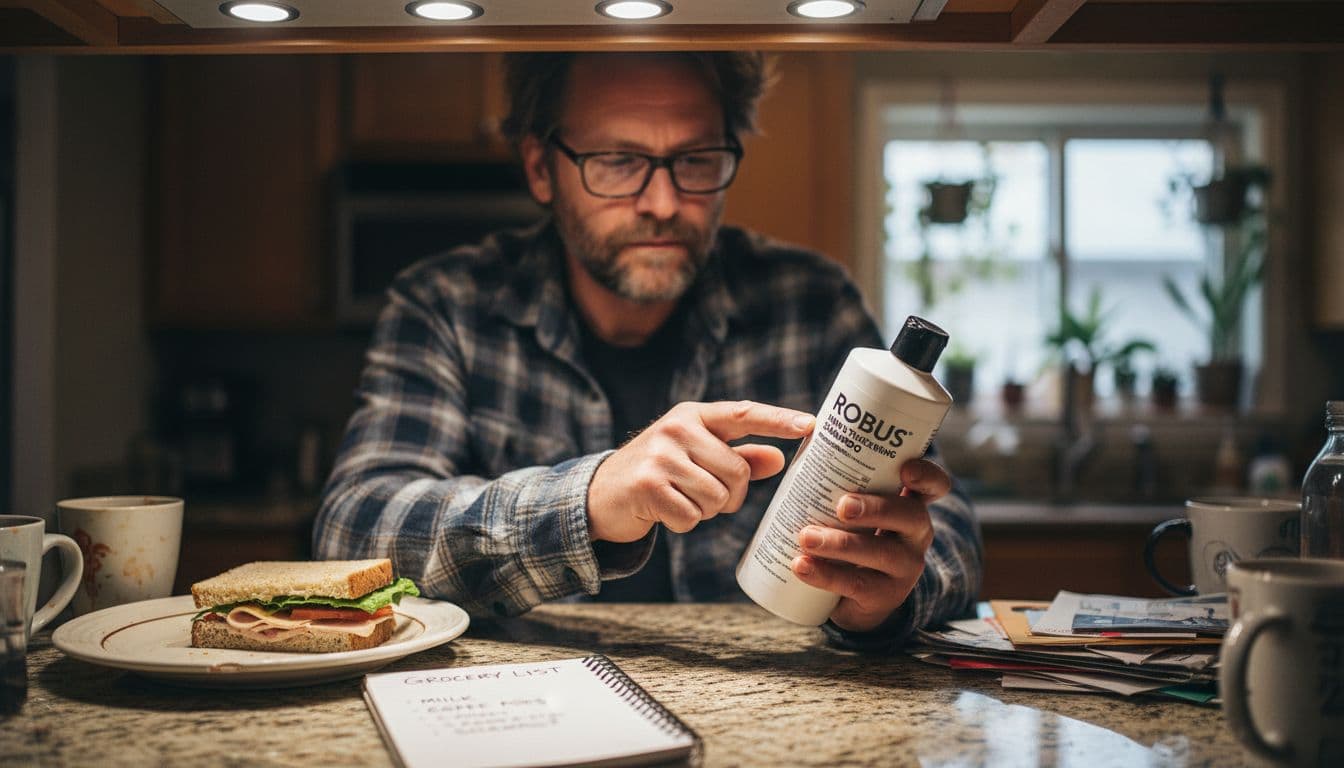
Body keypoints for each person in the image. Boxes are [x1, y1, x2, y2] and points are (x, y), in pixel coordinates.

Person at [314, 51, 980, 651]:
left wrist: (884, 600)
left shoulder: (810, 301)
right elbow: (353, 529)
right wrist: (588, 500)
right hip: (514, 703)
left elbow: (943, 528)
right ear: (541, 169)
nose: (663, 204)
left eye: (695, 161)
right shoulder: (447, 304)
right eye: (618, 162)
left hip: (768, 700)